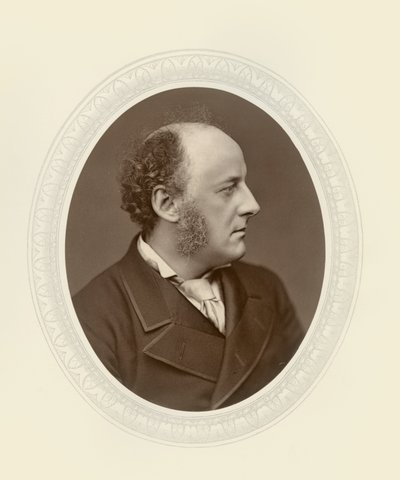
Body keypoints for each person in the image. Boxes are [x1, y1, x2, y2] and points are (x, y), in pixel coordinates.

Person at [73, 122, 304, 411]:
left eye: (243, 184)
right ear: (168, 204)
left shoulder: (267, 290)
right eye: (228, 189)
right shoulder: (91, 322)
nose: (252, 205)